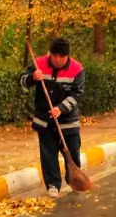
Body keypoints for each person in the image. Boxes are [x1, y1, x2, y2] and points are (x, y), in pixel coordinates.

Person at [20, 38, 85, 198]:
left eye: (61, 56)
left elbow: (77, 94)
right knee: (48, 154)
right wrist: (32, 77)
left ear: (67, 57)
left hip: (68, 122)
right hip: (45, 121)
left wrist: (61, 109)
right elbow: (22, 82)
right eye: (54, 55)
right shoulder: (39, 63)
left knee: (72, 153)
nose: (57, 59)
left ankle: (74, 180)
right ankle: (52, 185)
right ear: (50, 53)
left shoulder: (77, 69)